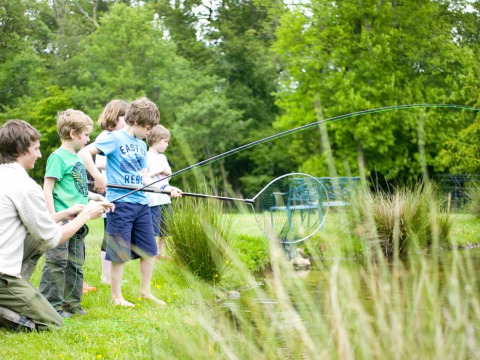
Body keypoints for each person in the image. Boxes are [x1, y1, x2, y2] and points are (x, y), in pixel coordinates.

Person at [0, 120, 112, 331]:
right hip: (2, 275)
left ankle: (17, 291)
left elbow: (34, 225)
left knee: (35, 240)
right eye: (36, 149)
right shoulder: (24, 185)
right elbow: (50, 238)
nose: (40, 155)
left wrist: (65, 214)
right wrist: (86, 214)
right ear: (21, 150)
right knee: (52, 323)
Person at [79, 97, 182, 307]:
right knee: (119, 253)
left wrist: (165, 188)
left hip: (141, 203)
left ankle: (146, 292)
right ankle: (116, 297)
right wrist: (98, 177)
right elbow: (84, 153)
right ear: (134, 121)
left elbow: (145, 179)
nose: (149, 132)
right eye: (147, 127)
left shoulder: (141, 145)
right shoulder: (114, 138)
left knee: (150, 251)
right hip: (120, 203)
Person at [39, 109, 110, 318]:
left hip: (78, 223)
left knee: (75, 264)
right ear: (73, 133)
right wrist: (54, 218)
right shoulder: (57, 158)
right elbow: (48, 188)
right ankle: (51, 307)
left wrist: (96, 198)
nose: (88, 139)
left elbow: (77, 189)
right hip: (62, 222)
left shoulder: (77, 158)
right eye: (86, 135)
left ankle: (73, 305)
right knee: (57, 264)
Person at [95, 99, 128, 284]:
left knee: (116, 234)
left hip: (121, 191)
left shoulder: (122, 137)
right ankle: (105, 275)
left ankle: (110, 275)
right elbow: (98, 162)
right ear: (115, 117)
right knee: (110, 234)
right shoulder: (105, 136)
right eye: (125, 117)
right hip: (111, 192)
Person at [146, 125, 173, 260]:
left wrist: (167, 173)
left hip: (165, 198)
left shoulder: (163, 158)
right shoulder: (145, 157)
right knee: (153, 229)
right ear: (155, 139)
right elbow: (144, 177)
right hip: (152, 199)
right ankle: (152, 253)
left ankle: (160, 253)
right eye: (165, 141)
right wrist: (157, 172)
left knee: (165, 229)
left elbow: (168, 176)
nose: (167, 145)